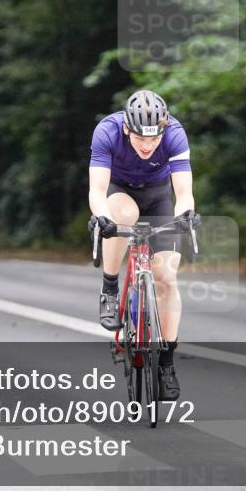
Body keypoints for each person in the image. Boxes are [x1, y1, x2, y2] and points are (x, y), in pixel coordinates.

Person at [87, 89, 200, 401]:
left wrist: (185, 215)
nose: (148, 145)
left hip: (158, 196)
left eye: (154, 138)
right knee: (124, 214)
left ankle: (166, 363)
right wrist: (101, 217)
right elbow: (97, 189)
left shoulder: (175, 134)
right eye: (140, 139)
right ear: (127, 129)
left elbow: (184, 192)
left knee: (166, 278)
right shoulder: (107, 131)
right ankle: (110, 287)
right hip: (120, 192)